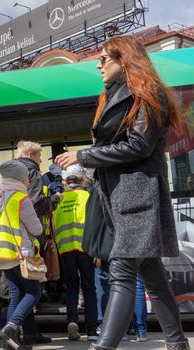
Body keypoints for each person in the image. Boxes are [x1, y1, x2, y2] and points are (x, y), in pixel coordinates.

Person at [55, 35, 189, 350]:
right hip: (118, 198)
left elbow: (140, 146)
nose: (98, 64)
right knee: (153, 278)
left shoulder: (147, 92)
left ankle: (103, 347)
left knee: (122, 271)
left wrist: (84, 156)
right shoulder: (114, 94)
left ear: (125, 58)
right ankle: (177, 343)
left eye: (105, 58)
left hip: (137, 196)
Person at [0, 160, 43, 350]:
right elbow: (36, 229)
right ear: (21, 178)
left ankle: (10, 343)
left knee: (16, 294)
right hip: (19, 253)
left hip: (0, 255)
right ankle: (12, 327)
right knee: (34, 292)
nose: (29, 179)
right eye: (27, 175)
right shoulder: (20, 198)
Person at [15, 141, 60, 345]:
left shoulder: (14, 171)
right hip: (30, 239)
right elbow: (32, 203)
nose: (41, 160)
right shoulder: (31, 171)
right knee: (31, 289)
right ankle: (8, 326)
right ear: (31, 154)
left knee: (22, 289)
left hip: (17, 237)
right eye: (40, 156)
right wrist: (54, 199)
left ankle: (29, 332)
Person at [53, 165, 98, 341]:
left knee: (71, 286)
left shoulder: (60, 199)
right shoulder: (88, 196)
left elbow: (54, 225)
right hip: (85, 248)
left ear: (65, 181)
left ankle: (72, 320)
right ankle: (92, 329)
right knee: (89, 287)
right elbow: (94, 224)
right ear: (81, 180)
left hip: (65, 250)